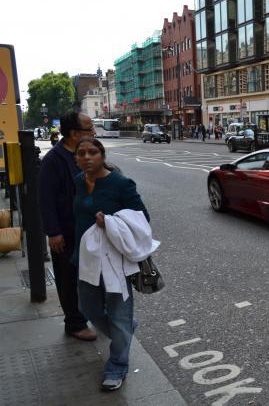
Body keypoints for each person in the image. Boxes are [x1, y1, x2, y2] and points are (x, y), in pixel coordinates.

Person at [73, 138, 151, 391]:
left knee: (118, 315)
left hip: (115, 261)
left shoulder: (121, 184)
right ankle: (125, 330)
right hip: (86, 258)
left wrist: (110, 222)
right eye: (81, 153)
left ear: (102, 155)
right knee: (88, 308)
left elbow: (143, 219)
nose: (86, 157)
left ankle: (117, 366)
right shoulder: (78, 181)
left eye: (92, 152)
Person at [38, 112, 98, 342]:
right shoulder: (54, 161)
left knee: (89, 277)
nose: (93, 132)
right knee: (67, 279)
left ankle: (91, 315)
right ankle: (74, 324)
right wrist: (53, 233)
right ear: (74, 134)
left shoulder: (84, 154)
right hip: (66, 232)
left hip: (87, 231)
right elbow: (46, 199)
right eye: (88, 128)